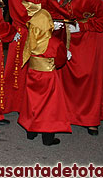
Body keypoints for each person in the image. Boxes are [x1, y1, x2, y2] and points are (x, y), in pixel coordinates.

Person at [5, 0, 68, 115]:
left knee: (36, 69)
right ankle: (14, 102)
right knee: (18, 67)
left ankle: (33, 102)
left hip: (40, 29)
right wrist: (35, 22)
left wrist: (62, 15)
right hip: (25, 28)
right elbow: (17, 11)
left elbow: (49, 3)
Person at [49, 0, 103, 135]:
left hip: (89, 42)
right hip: (68, 42)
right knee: (67, 79)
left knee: (88, 81)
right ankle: (67, 114)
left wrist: (82, 26)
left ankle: (90, 120)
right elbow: (50, 13)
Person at [18, 8, 71, 146]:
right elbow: (60, 61)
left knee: (33, 102)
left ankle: (31, 131)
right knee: (49, 106)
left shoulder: (31, 40)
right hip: (48, 77)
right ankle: (48, 137)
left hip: (32, 74)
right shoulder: (54, 42)